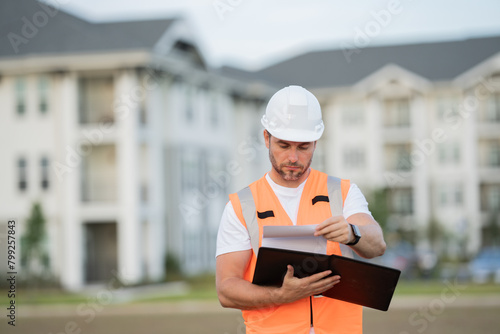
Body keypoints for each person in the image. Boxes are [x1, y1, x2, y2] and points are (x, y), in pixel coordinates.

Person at [215, 85, 386, 334]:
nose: (293, 157)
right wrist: (279, 295)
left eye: (303, 147)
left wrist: (352, 233)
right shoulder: (242, 206)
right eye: (284, 146)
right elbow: (226, 290)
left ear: (315, 143)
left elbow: (377, 245)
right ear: (266, 138)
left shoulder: (342, 192)